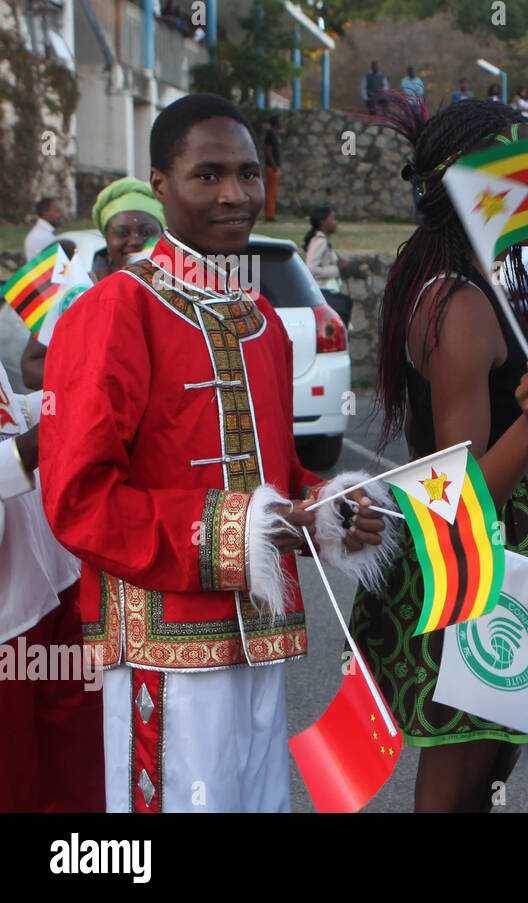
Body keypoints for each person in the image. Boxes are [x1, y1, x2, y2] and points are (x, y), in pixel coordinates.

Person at [39, 94, 392, 813]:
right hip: (163, 648)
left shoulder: (261, 320)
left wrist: (328, 510)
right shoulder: (114, 310)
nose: (235, 194)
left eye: (249, 173)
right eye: (208, 175)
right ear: (161, 184)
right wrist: (245, 530)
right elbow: (79, 500)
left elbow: (277, 475)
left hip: (259, 636)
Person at [348, 97, 528, 813]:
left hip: (475, 554)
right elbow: (459, 492)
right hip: (477, 562)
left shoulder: (451, 283)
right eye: (526, 172)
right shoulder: (465, 306)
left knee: (487, 766)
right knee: (459, 777)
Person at [0, 365, 102, 812]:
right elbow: (19, 445)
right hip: (8, 619)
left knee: (80, 772)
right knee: (16, 786)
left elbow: (12, 414)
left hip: (58, 583)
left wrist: (65, 393)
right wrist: (38, 442)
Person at [20, 177, 164, 403]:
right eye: (122, 232)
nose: (135, 241)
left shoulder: (179, 291)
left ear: (162, 236)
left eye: (146, 231)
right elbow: (31, 367)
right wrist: (90, 384)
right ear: (107, 238)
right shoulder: (76, 289)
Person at [304, 205, 352, 325]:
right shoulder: (320, 242)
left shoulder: (323, 241)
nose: (336, 222)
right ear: (323, 222)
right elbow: (310, 269)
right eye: (332, 218)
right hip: (324, 290)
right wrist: (336, 269)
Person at [24, 197, 63, 261]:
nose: (61, 214)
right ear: (45, 213)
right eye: (57, 211)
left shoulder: (46, 232)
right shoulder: (41, 236)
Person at [263, 116, 282, 222]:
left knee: (273, 192)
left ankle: (271, 213)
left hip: (274, 167)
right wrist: (275, 166)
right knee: (271, 191)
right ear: (275, 123)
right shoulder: (270, 134)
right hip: (271, 167)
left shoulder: (274, 135)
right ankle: (269, 215)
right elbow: (269, 151)